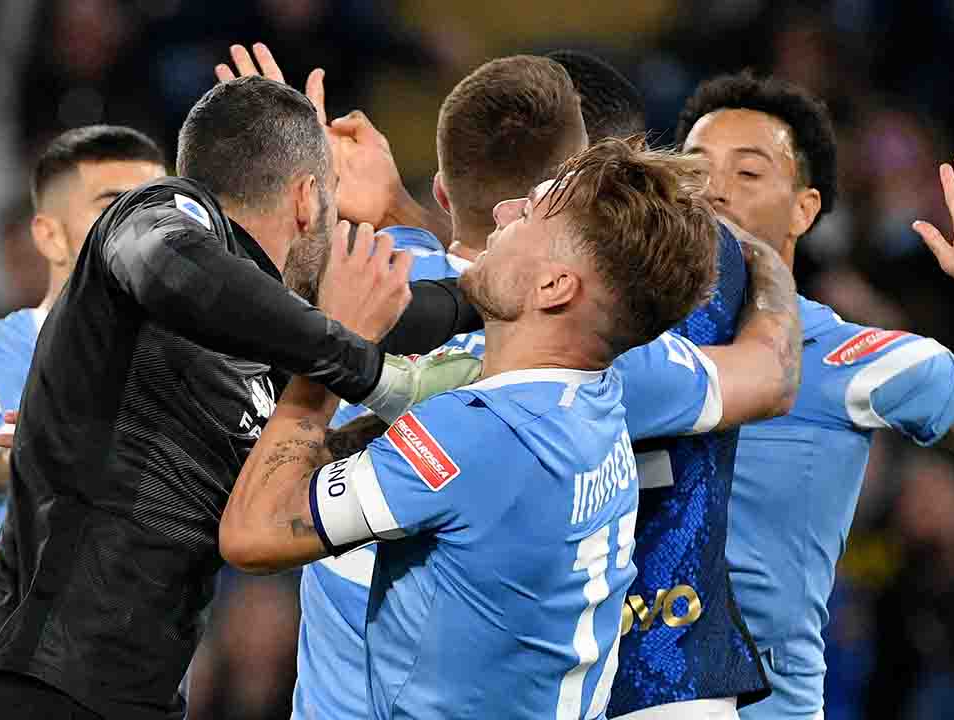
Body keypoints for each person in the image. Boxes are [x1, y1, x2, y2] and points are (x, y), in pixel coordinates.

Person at [218, 47, 798, 720]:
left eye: (528, 216)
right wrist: (771, 265)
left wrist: (324, 354)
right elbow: (771, 371)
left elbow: (252, 535)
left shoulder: (468, 429)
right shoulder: (618, 380)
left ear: (555, 286)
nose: (502, 216)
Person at [0, 76, 483, 720]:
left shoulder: (276, 339)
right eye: (331, 203)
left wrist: (488, 291)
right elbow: (166, 262)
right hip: (30, 684)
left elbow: (394, 317)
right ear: (306, 199)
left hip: (134, 700)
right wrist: (370, 371)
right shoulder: (160, 217)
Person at [676, 72, 954, 720]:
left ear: (804, 209)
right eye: (694, 167)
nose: (714, 188)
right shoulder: (611, 347)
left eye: (747, 172)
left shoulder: (853, 359)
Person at [0, 125, 166, 640]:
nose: (144, 225)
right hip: (9, 672)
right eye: (114, 205)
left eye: (157, 207)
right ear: (50, 236)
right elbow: (25, 467)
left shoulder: (190, 363)